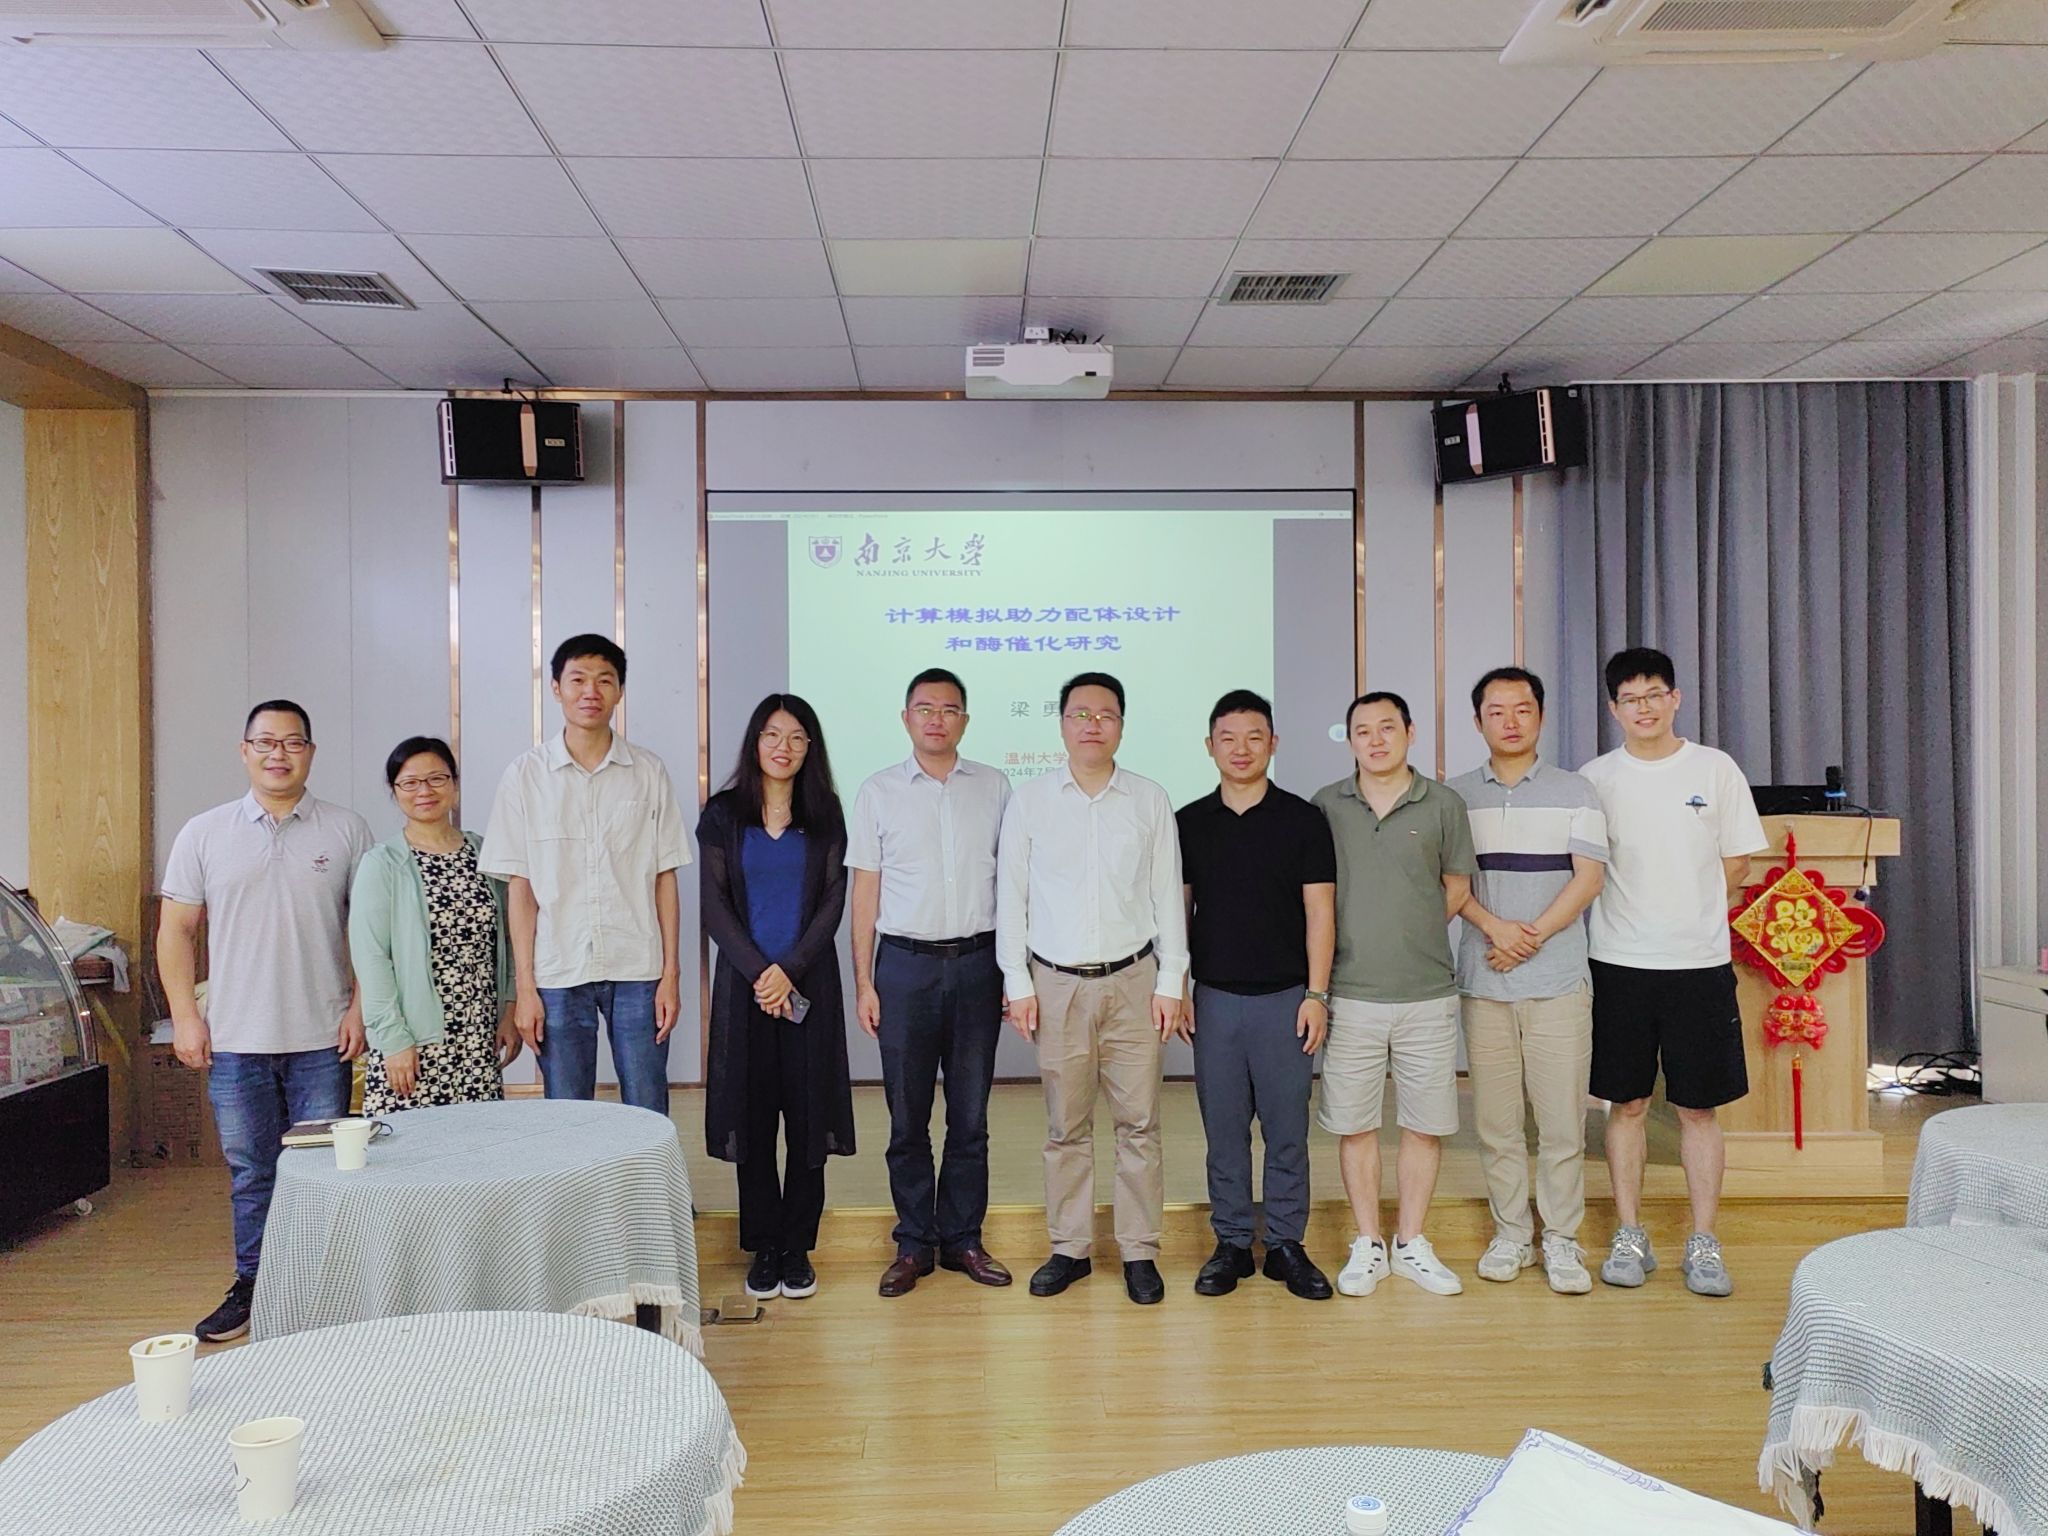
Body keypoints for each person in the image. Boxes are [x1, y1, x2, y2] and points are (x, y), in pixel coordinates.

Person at [158, 700, 374, 1342]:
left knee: (325, 1172)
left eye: (293, 742)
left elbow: (370, 931)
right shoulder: (204, 832)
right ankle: (254, 1285)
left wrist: (360, 1007)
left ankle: (325, 1290)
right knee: (252, 1172)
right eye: (266, 742)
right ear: (244, 751)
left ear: (311, 752)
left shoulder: (346, 829)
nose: (279, 753)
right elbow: (175, 931)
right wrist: (185, 1017)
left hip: (323, 1039)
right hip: (235, 1039)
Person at [997, 671, 1189, 1306]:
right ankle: (1070, 1248)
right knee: (1066, 1126)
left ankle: (1139, 1250)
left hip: (1135, 981)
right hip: (1056, 984)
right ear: (1061, 724)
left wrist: (1171, 980)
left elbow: (1167, 894)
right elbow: (1012, 898)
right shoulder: (1030, 801)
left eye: (1105, 715)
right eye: (1080, 714)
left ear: (1122, 726)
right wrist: (1017, 982)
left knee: (1140, 1124)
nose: (1092, 725)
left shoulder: (1148, 799)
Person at [1580, 647, 1766, 1298]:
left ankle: (1704, 1239)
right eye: (1630, 699)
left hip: (1699, 964)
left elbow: (1738, 861)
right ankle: (1629, 1233)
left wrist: (1688, 909)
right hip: (1619, 963)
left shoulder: (1715, 769)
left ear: (1676, 698)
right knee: (1626, 1103)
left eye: (1655, 694)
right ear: (1614, 709)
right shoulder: (1596, 779)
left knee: (1697, 1108)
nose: (1645, 708)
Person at [848, 669, 1012, 1297]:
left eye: (949, 709)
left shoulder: (994, 787)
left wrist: (1014, 972)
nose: (936, 719)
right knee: (907, 1117)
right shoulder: (878, 791)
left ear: (965, 719)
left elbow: (1013, 887)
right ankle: (914, 1242)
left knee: (970, 1116)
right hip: (904, 967)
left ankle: (964, 1238)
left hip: (978, 963)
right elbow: (865, 894)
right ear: (906, 718)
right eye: (925, 708)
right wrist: (864, 981)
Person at [479, 635, 689, 1117]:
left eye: (604, 681)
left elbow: (665, 877)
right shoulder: (525, 776)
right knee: (568, 1113)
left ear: (619, 691)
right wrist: (525, 987)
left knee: (647, 1108)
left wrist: (671, 974)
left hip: (639, 967)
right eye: (578, 679)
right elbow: (520, 889)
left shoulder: (648, 771)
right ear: (556, 688)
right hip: (558, 970)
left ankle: (650, 1175)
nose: (591, 691)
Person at [1447, 668, 1608, 1295]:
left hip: (1558, 980)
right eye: (1496, 711)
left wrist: (1530, 936)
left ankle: (1562, 1238)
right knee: (1495, 1122)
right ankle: (1512, 1232)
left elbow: (1588, 879)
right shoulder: (1455, 796)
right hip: (1485, 980)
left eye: (1522, 709)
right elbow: (1450, 885)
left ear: (1540, 715)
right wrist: (1496, 929)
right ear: (1477, 721)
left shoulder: (1577, 790)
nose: (1510, 721)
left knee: (1563, 1121)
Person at [1312, 691, 1476, 1299]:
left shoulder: (1443, 803)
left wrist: (1411, 931)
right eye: (1363, 730)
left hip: (1426, 992)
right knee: (1354, 1124)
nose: (1376, 740)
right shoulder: (1326, 805)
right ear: (1349, 739)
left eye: (1388, 728)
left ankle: (1410, 1241)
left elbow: (1456, 888)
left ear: (1410, 732)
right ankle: (1367, 1242)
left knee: (1424, 1123)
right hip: (1349, 993)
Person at [1177, 689, 1336, 1302]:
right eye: (1228, 738)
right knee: (1224, 1132)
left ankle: (1287, 1244)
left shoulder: (1303, 819)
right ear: (1209, 746)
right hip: (1214, 1000)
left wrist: (1316, 993)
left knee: (1287, 1130)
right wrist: (1179, 986)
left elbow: (1320, 913)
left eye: (1253, 737)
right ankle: (1232, 1243)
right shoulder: (1189, 822)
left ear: (1273, 743)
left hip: (1287, 999)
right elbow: (1179, 913)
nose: (1240, 749)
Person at [700, 693, 855, 1303]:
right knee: (754, 1116)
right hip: (745, 991)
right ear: (755, 742)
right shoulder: (723, 813)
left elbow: (833, 899)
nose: (782, 747)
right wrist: (760, 974)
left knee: (809, 1118)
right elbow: (714, 904)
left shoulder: (826, 813)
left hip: (809, 985)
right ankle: (764, 1246)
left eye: (795, 737)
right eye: (771, 735)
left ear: (810, 747)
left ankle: (798, 1246)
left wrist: (787, 970)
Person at [349, 737, 521, 1116]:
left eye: (437, 779)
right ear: (395, 791)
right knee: (413, 1148)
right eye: (410, 782)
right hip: (413, 1043)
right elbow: (371, 958)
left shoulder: (484, 853)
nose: (424, 791)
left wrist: (508, 1011)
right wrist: (393, 1040)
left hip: (478, 1039)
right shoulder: (382, 863)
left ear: (455, 784)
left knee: (479, 1144)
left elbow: (509, 941)